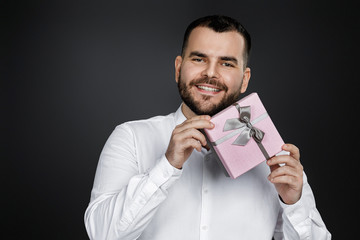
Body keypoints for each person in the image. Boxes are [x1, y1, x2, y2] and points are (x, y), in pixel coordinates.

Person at [84, 15, 331, 240]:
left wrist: (294, 204)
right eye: (199, 59)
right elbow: (102, 235)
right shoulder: (131, 138)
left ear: (244, 79)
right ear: (179, 68)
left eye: (226, 63)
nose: (210, 73)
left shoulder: (273, 156)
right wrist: (167, 165)